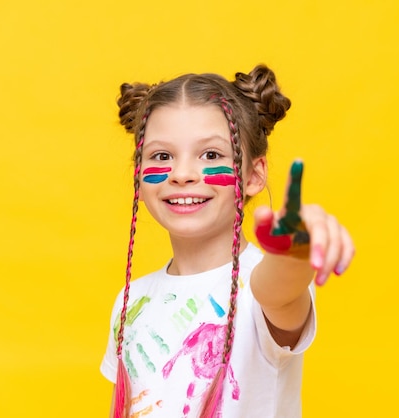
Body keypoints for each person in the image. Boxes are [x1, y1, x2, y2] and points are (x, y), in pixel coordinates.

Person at [100, 64, 355, 418]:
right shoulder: (131, 303)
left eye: (211, 155)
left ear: (253, 176)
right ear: (138, 175)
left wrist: (293, 254)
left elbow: (278, 290)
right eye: (162, 156)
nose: (182, 174)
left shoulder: (260, 288)